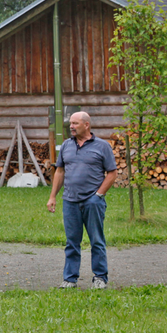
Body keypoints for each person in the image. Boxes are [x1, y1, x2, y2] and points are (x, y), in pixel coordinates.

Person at [46, 111, 118, 290]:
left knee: (96, 240)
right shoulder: (66, 146)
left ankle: (100, 277)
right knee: (72, 242)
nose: (71, 126)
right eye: (70, 123)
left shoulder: (102, 146)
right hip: (70, 201)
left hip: (92, 201)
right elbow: (60, 172)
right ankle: (70, 279)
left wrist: (98, 195)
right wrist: (53, 196)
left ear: (86, 125)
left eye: (75, 123)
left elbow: (112, 173)